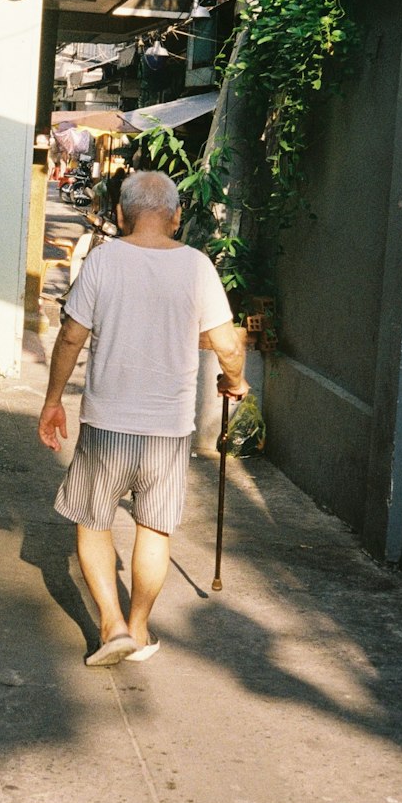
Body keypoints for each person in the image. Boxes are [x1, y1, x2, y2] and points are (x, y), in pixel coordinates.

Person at [37, 171, 249, 667]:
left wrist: (52, 401)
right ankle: (138, 627)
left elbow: (71, 336)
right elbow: (226, 344)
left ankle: (111, 626)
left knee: (93, 522)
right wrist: (234, 381)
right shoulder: (197, 267)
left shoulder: (104, 259)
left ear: (118, 214)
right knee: (155, 531)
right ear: (177, 218)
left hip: (108, 424)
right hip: (168, 432)